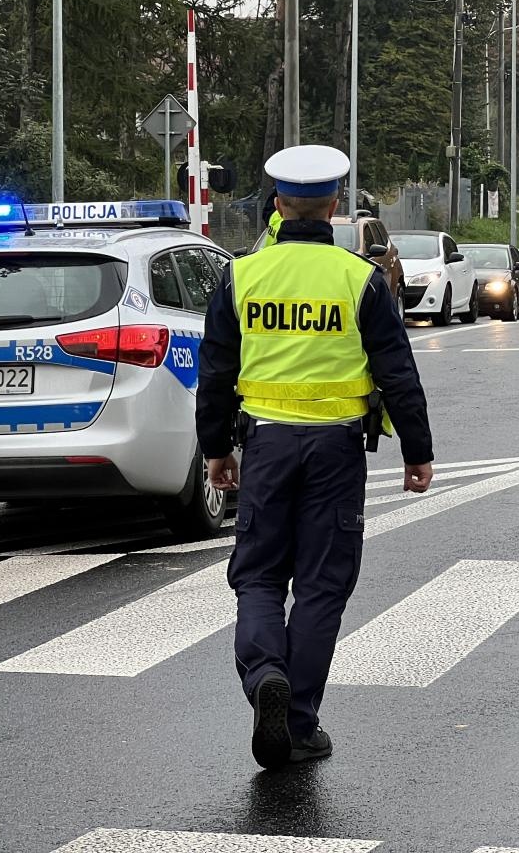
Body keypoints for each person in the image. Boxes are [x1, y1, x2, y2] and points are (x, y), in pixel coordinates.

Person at [196, 144, 434, 769]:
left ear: (277, 205)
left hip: (266, 445)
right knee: (323, 585)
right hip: (336, 451)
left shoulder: (241, 276)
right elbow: (397, 372)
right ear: (334, 206)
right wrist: (418, 450)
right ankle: (297, 722)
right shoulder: (359, 279)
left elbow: (216, 372)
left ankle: (264, 677)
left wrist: (217, 449)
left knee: (258, 576)